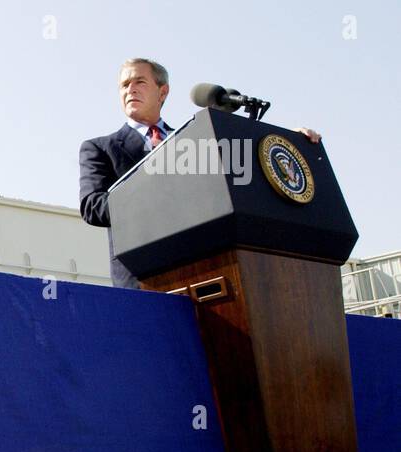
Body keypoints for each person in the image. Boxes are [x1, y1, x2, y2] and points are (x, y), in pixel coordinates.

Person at [79, 58, 321, 288]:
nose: (130, 89)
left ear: (162, 92)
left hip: (207, 271)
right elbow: (93, 207)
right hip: (144, 279)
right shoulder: (100, 148)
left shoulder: (194, 139)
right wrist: (154, 188)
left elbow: (239, 171)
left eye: (139, 82)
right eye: (124, 84)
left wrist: (287, 141)